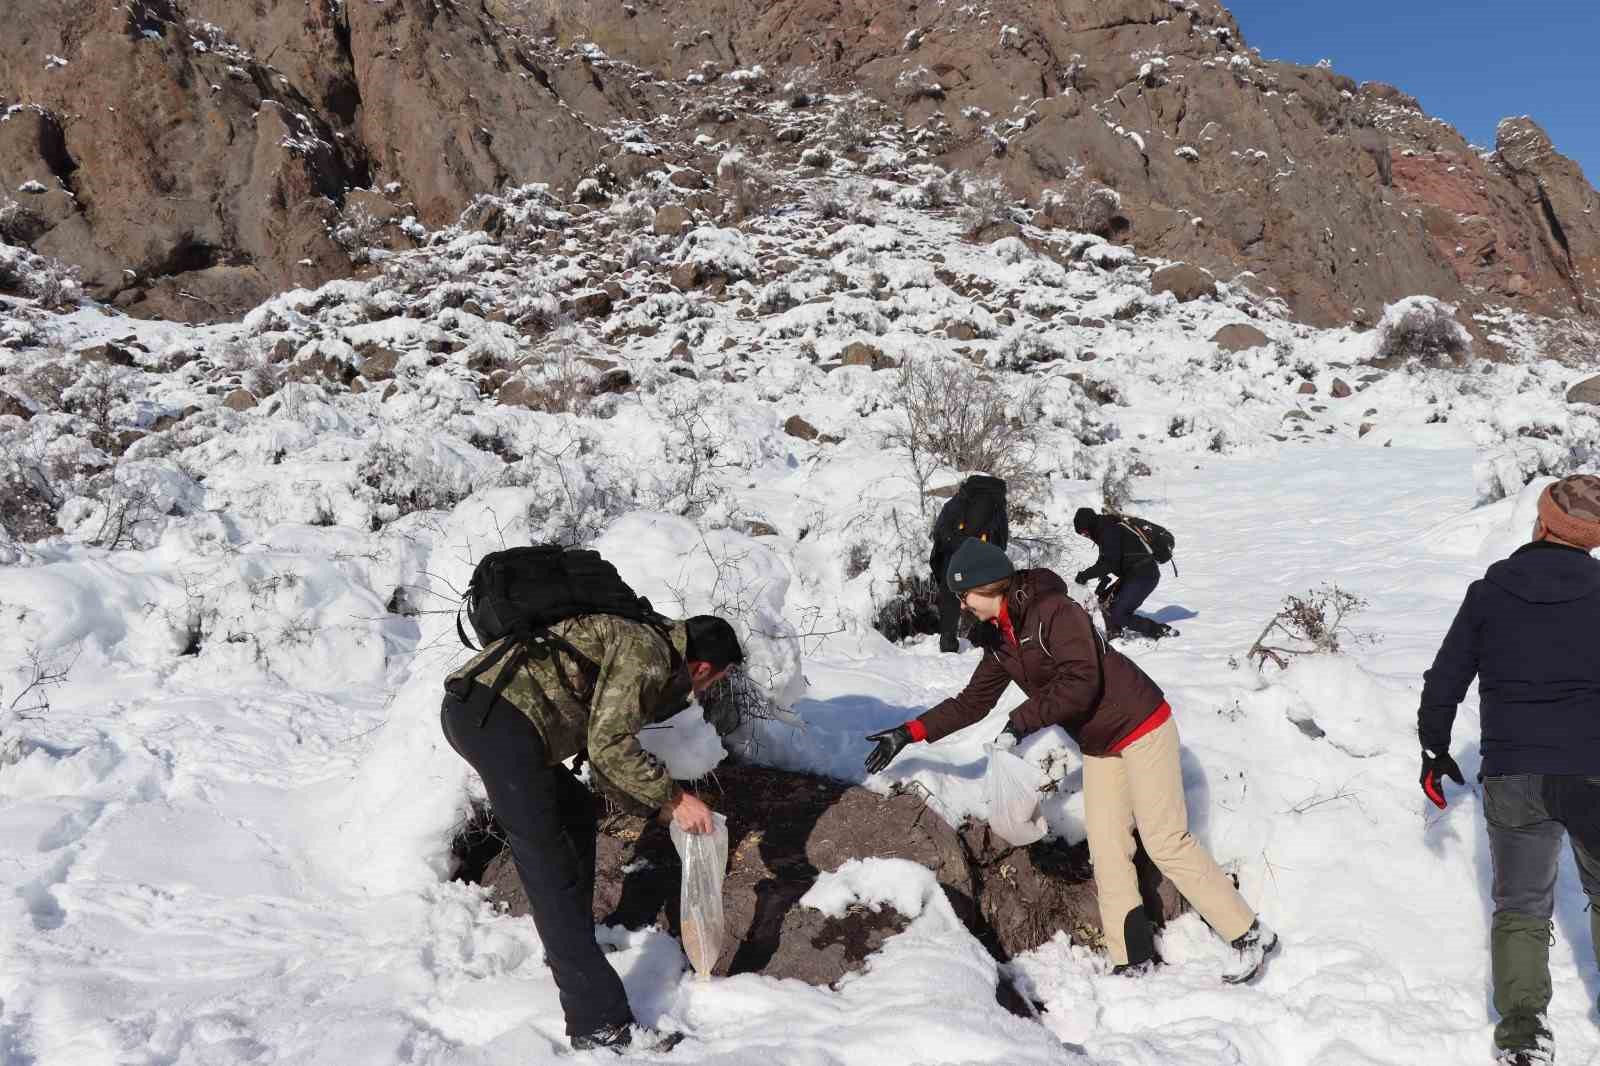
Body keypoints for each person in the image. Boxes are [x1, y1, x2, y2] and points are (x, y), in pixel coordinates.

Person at [863, 538, 1276, 983]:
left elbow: (1082, 679)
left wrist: (1021, 721)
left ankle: (1249, 933)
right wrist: (909, 733)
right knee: (1107, 846)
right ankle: (1131, 957)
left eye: (965, 597)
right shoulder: (1003, 639)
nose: (963, 607)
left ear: (988, 586)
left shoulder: (1054, 612)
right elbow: (970, 703)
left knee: (1165, 839)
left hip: (1141, 724)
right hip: (1100, 743)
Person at [441, 611, 744, 1053]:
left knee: (576, 812)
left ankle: (571, 947)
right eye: (715, 680)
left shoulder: (652, 640)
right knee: (551, 870)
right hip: (496, 723)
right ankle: (599, 1022)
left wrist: (656, 806)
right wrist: (676, 799)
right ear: (701, 668)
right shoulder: (649, 654)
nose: (709, 689)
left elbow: (606, 755)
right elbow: (610, 748)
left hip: (491, 714)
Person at [1418, 474, 1600, 1066]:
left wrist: (1434, 750)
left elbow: (1444, 681)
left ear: (1543, 522)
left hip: (1514, 771)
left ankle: (1523, 1031)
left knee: (1521, 905)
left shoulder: (1488, 594)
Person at [930, 475, 1009, 653]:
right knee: (986, 598)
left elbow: (941, 531)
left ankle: (948, 643)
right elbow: (1002, 542)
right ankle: (987, 645)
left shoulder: (960, 500)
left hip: (954, 557)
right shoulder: (998, 505)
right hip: (983, 561)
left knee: (950, 598)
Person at [1073, 507, 1173, 641]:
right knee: (1103, 602)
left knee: (1119, 614)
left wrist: (1085, 575)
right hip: (1133, 574)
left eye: (1085, 533)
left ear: (1089, 524)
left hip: (1144, 575)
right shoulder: (1104, 528)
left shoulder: (1108, 530)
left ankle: (1157, 630)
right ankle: (1114, 631)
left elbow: (1109, 563)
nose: (1086, 536)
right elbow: (1106, 558)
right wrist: (1101, 574)